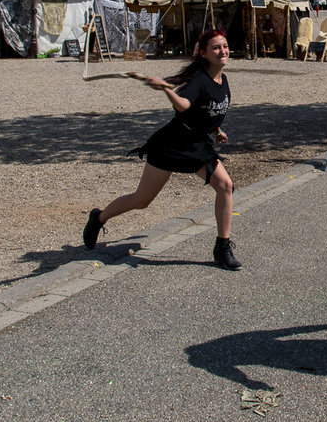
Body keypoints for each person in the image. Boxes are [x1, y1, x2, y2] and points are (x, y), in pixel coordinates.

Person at [82, 29, 241, 271]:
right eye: (217, 48)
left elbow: (209, 111)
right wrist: (166, 89)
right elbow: (184, 106)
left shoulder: (222, 79)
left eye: (225, 46)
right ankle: (99, 217)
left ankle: (222, 247)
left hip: (198, 145)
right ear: (204, 53)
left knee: (225, 186)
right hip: (172, 145)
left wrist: (216, 131)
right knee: (141, 200)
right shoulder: (199, 80)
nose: (223, 51)